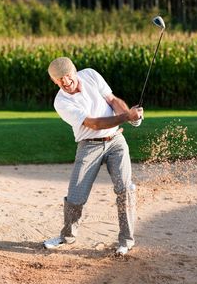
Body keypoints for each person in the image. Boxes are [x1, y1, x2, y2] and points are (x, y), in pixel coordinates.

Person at [44, 57, 144, 255]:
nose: (65, 82)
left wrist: (132, 118)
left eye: (67, 76)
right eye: (59, 79)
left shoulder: (90, 74)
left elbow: (112, 100)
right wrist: (126, 117)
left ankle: (126, 241)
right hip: (89, 146)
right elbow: (94, 124)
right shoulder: (61, 101)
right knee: (75, 196)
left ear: (75, 71)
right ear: (54, 81)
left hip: (116, 141)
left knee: (124, 189)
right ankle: (67, 237)